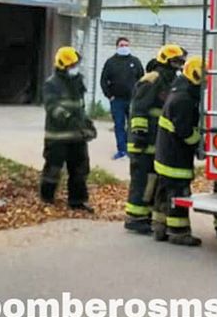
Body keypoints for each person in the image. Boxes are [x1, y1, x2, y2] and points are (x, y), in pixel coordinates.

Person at [123, 43, 186, 235]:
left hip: (155, 142)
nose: (178, 66)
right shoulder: (152, 79)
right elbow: (139, 108)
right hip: (143, 142)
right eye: (175, 62)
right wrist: (140, 134)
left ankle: (145, 215)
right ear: (165, 61)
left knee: (152, 181)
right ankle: (135, 218)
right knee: (142, 181)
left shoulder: (169, 82)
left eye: (180, 62)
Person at [152, 54, 203, 246]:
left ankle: (159, 227)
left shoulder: (178, 90)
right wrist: (200, 143)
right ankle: (178, 233)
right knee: (178, 194)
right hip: (175, 157)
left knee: (163, 192)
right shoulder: (184, 99)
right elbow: (185, 132)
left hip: (165, 154)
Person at [40, 46, 96, 212]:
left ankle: (77, 201)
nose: (75, 68)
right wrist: (69, 120)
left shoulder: (77, 83)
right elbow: (52, 107)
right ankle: (47, 198)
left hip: (77, 137)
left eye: (76, 65)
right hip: (57, 136)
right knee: (53, 169)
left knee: (80, 169)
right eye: (72, 65)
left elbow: (80, 108)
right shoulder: (52, 84)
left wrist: (87, 125)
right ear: (62, 66)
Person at [100, 36, 144, 160]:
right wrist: (110, 96)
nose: (124, 47)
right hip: (117, 100)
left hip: (132, 100)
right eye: (121, 45)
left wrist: (139, 96)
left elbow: (142, 79)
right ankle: (122, 150)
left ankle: (131, 149)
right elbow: (103, 80)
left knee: (132, 125)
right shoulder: (111, 62)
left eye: (126, 45)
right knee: (119, 125)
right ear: (117, 47)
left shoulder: (135, 61)